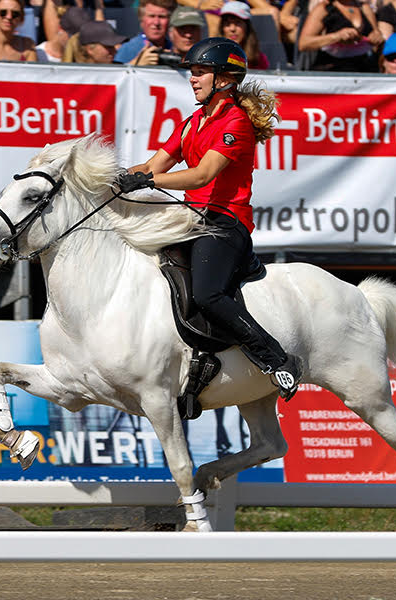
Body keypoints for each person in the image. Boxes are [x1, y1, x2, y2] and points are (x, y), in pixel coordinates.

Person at [117, 37, 303, 400]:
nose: (192, 78)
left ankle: (276, 359)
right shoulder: (192, 123)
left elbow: (202, 175)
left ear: (224, 79)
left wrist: (148, 180)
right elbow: (153, 165)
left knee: (207, 294)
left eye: (200, 72)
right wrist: (117, 179)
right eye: (192, 72)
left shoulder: (237, 124)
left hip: (224, 223)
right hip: (191, 220)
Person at [297, 0, 383, 72]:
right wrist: (336, 36)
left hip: (362, 68)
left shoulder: (364, 7)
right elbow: (303, 43)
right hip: (332, 68)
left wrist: (376, 38)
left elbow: (376, 36)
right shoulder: (324, 8)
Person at [114, 0, 175, 65]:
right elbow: (117, 74)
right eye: (151, 16)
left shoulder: (175, 48)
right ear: (141, 20)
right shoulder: (128, 49)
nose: (156, 22)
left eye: (161, 17)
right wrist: (138, 65)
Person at [219, 1, 270, 69]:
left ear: (247, 27)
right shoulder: (212, 54)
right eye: (227, 23)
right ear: (222, 28)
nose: (232, 29)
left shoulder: (259, 58)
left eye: (238, 23)